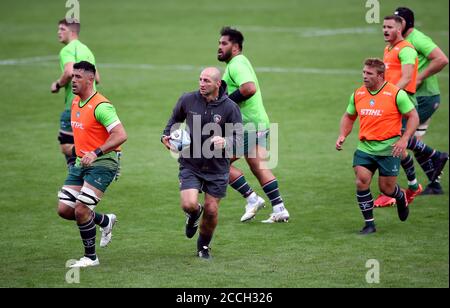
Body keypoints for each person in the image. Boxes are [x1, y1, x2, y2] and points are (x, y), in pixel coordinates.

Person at [161, 67, 243, 259]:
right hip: (191, 164)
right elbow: (174, 119)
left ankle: (203, 246)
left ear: (218, 84)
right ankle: (193, 215)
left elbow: (238, 138)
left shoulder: (230, 108)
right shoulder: (188, 100)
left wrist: (226, 141)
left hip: (217, 167)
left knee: (212, 210)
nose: (202, 84)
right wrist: (165, 136)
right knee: (189, 204)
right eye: (200, 79)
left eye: (206, 81)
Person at [336, 58, 419, 234]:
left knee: (386, 189)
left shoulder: (396, 94)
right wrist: (343, 134)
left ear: (380, 75)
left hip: (389, 149)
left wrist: (404, 139)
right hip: (365, 148)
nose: (364, 76)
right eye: (363, 72)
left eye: (369, 73)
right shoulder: (358, 94)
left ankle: (400, 195)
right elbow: (349, 116)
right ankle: (369, 224)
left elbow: (413, 116)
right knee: (361, 181)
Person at [57, 61, 127, 268]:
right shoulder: (75, 103)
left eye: (78, 77)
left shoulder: (101, 106)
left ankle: (91, 257)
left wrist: (96, 152)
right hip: (81, 163)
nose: (73, 81)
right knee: (64, 209)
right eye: (72, 77)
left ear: (90, 80)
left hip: (104, 162)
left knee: (81, 209)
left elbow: (121, 134)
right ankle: (105, 221)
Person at [217, 26, 289, 223]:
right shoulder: (239, 62)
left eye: (224, 43)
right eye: (219, 43)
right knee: (258, 165)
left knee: (216, 162)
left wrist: (225, 106)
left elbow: (249, 88)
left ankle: (251, 198)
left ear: (236, 46)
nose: (219, 47)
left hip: (247, 125)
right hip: (258, 122)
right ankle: (279, 208)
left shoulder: (236, 64)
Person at [375, 16, 447, 207]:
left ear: (400, 29)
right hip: (396, 100)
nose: (385, 30)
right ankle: (413, 184)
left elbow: (407, 77)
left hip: (403, 101)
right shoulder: (388, 49)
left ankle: (391, 192)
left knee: (393, 142)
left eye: (389, 27)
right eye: (383, 26)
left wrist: (389, 96)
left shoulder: (407, 49)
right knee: (396, 141)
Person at [394, 7, 449, 195]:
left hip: (424, 98)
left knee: (399, 136)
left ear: (407, 23)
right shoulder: (401, 42)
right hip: (417, 97)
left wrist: (419, 78)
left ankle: (437, 156)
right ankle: (434, 185)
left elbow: (441, 59)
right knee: (416, 143)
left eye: (399, 21)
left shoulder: (417, 39)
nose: (394, 25)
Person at [51, 18, 100, 167]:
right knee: (80, 143)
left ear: (72, 32)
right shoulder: (87, 50)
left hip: (74, 106)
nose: (58, 32)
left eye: (62, 29)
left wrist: (58, 85)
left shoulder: (67, 50)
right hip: (92, 105)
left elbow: (68, 71)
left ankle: (104, 160)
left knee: (66, 146)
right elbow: (97, 78)